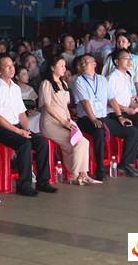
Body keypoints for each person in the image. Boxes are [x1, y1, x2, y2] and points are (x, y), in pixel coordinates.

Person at [0, 54, 55, 197]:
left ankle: (43, 181)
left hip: (16, 126)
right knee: (24, 143)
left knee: (41, 143)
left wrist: (26, 129)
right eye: (7, 66)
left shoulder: (15, 88)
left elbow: (21, 113)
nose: (12, 68)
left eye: (12, 65)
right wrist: (18, 131)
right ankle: (24, 185)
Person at [72, 54, 138, 180]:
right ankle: (99, 169)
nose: (83, 64)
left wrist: (120, 117)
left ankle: (124, 164)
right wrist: (93, 119)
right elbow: (85, 102)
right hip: (87, 119)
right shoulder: (78, 81)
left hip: (103, 117)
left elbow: (112, 99)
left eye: (86, 62)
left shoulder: (102, 80)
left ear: (94, 64)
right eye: (81, 63)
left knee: (131, 131)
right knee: (99, 131)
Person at [38, 55, 97, 185]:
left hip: (64, 122)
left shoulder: (63, 84)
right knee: (77, 142)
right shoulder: (46, 84)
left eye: (64, 66)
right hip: (50, 123)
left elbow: (65, 106)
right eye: (61, 66)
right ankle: (74, 174)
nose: (64, 68)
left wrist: (69, 121)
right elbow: (47, 106)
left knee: (84, 141)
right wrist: (63, 121)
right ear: (52, 68)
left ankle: (83, 174)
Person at [106, 48, 138, 144]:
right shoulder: (111, 78)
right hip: (115, 112)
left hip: (126, 110)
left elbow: (129, 100)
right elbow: (108, 101)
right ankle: (130, 147)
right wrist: (126, 109)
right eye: (125, 58)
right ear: (116, 62)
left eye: (130, 59)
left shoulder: (127, 77)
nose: (129, 61)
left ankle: (134, 146)